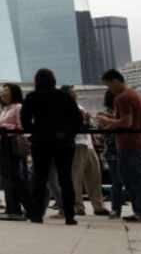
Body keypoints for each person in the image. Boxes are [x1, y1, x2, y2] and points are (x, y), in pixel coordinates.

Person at [20, 69, 82, 225]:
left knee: (39, 178)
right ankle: (69, 215)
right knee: (65, 178)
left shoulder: (32, 97)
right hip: (63, 142)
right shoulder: (65, 96)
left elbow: (25, 120)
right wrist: (68, 134)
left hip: (41, 141)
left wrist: (34, 131)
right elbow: (77, 120)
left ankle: (36, 215)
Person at [97, 69, 141, 223]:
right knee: (137, 178)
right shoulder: (135, 95)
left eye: (108, 85)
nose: (109, 89)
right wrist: (111, 119)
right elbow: (129, 119)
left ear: (115, 81)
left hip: (128, 143)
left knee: (133, 178)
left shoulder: (122, 98)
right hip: (137, 141)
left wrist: (107, 121)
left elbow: (126, 122)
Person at [60, 85, 108, 216]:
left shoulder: (79, 107)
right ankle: (78, 207)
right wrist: (84, 120)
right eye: (72, 92)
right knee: (76, 177)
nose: (75, 93)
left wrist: (88, 121)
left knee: (95, 176)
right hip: (76, 144)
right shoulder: (63, 108)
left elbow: (89, 125)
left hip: (88, 144)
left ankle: (98, 206)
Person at [0, 83, 31, 221]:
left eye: (6, 91)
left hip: (13, 144)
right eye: (3, 91)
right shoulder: (4, 109)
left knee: (15, 177)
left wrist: (2, 125)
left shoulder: (19, 107)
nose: (3, 93)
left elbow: (22, 127)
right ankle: (12, 208)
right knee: (7, 177)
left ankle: (30, 208)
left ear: (14, 93)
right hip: (4, 143)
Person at [100, 90, 125, 219]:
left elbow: (103, 132)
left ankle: (116, 208)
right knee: (119, 181)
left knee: (117, 181)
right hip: (118, 148)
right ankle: (117, 208)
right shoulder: (114, 112)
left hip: (113, 150)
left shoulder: (110, 113)